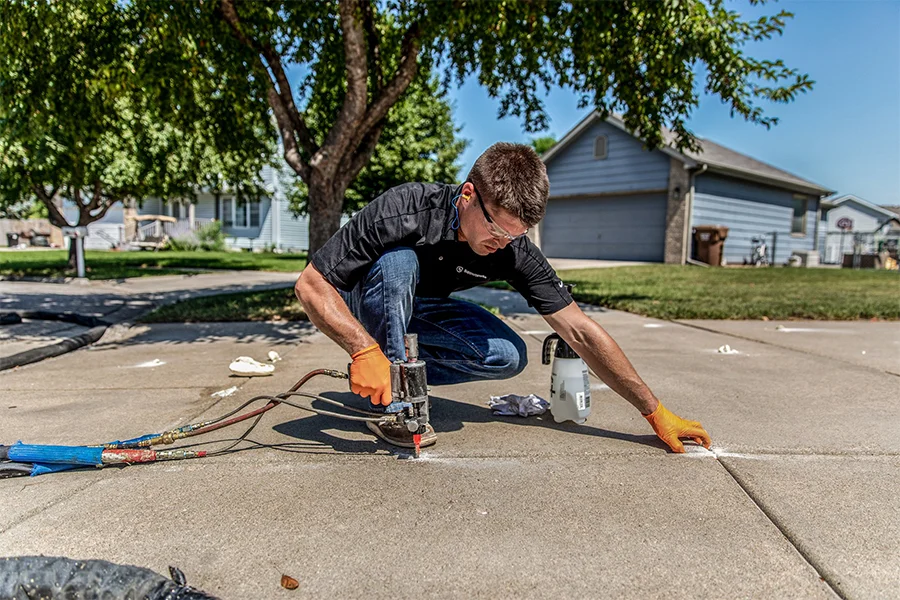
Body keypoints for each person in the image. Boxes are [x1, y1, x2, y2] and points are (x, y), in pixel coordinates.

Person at [294, 142, 711, 453]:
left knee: (507, 355)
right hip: (365, 308)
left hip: (418, 313)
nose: (503, 243)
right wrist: (364, 350)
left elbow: (580, 331)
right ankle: (392, 407)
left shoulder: (512, 248)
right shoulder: (404, 209)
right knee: (399, 261)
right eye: (496, 230)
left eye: (516, 235)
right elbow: (311, 285)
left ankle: (398, 380)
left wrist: (653, 410)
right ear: (468, 195)